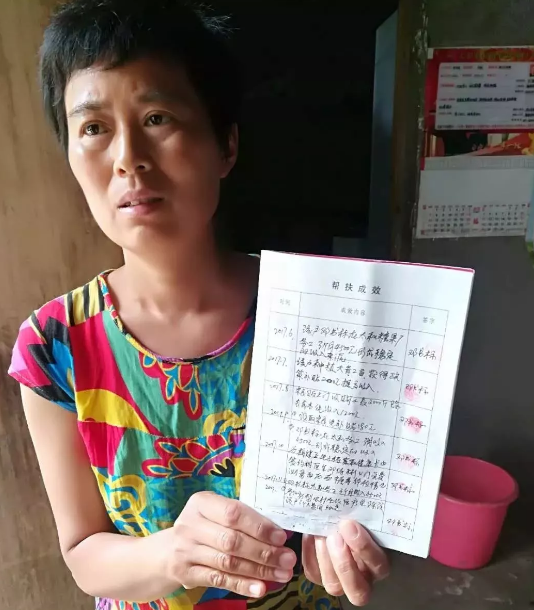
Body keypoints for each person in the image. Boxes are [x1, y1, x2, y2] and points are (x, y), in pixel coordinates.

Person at [8, 1, 389, 609]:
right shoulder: (55, 344)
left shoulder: (321, 313)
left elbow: (350, 512)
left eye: (157, 117)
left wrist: (343, 549)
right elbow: (83, 553)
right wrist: (172, 555)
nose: (128, 157)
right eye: (94, 128)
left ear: (225, 145)